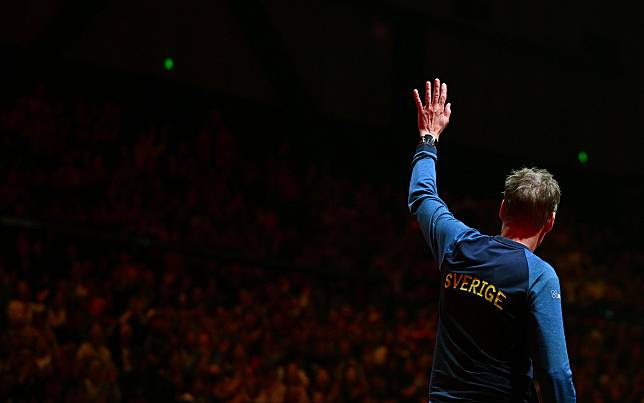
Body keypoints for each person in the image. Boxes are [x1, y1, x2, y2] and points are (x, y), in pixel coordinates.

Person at [408, 79, 576, 402]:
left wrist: (428, 138)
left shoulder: (457, 243)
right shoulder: (539, 277)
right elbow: (555, 374)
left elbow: (422, 195)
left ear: (502, 208)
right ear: (550, 223)